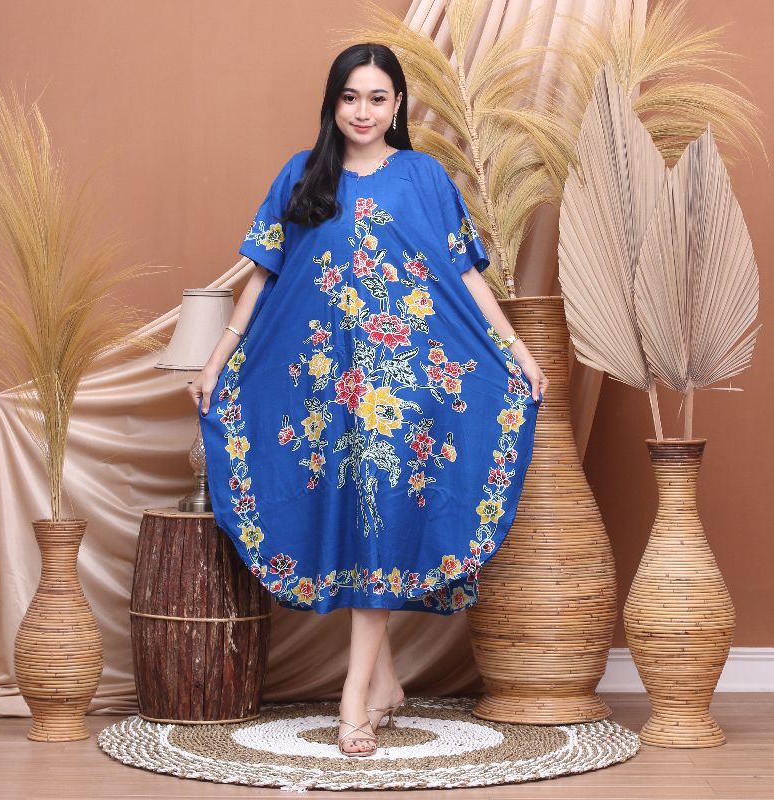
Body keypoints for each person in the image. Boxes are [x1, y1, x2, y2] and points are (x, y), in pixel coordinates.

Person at [188, 43, 548, 757]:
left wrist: (517, 351)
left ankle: (355, 694)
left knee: (380, 521)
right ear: (333, 103)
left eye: (378, 98)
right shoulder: (302, 175)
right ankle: (383, 683)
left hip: (403, 392)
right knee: (347, 524)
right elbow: (264, 273)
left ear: (398, 105)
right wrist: (217, 359)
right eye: (351, 97)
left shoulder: (425, 176)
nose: (363, 111)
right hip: (326, 391)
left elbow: (464, 274)